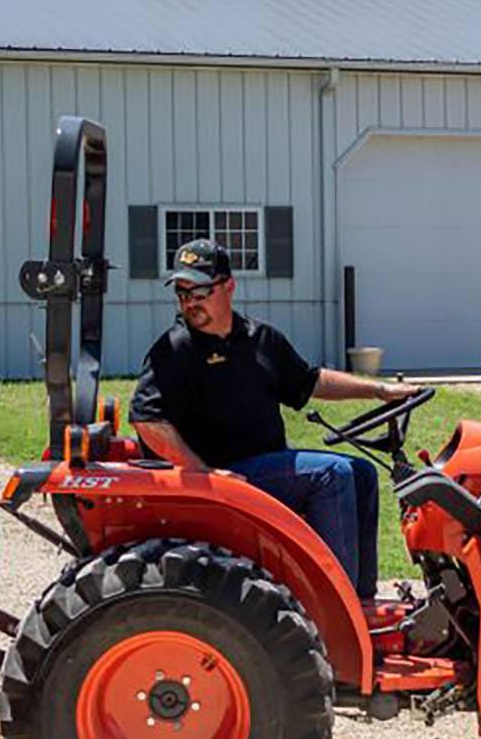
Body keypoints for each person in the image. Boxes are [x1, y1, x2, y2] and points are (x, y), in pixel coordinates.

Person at [129, 239, 417, 603]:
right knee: (331, 475)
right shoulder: (174, 349)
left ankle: (362, 600)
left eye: (199, 291)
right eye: (182, 293)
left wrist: (379, 390)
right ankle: (334, 609)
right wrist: (203, 473)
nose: (190, 302)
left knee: (361, 474)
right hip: (226, 475)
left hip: (265, 466)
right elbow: (147, 419)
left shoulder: (260, 339)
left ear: (228, 286)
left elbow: (309, 381)